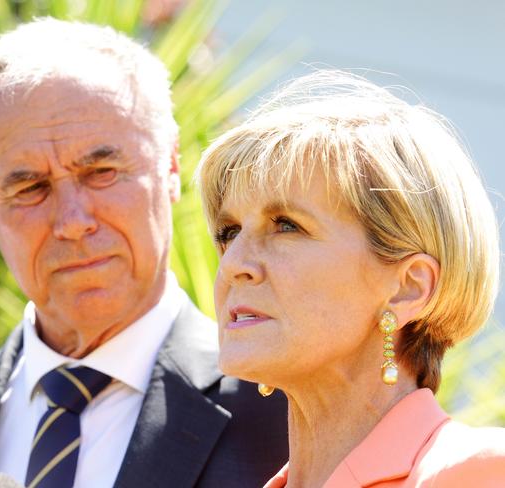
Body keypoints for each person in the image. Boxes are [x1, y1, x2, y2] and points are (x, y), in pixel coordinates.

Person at [0, 18, 288, 488]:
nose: (73, 221)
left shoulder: (285, 416)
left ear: (169, 169)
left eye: (101, 171)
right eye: (30, 188)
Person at [197, 70, 505, 487]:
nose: (234, 263)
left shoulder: (478, 472)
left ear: (408, 286)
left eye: (286, 225)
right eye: (229, 232)